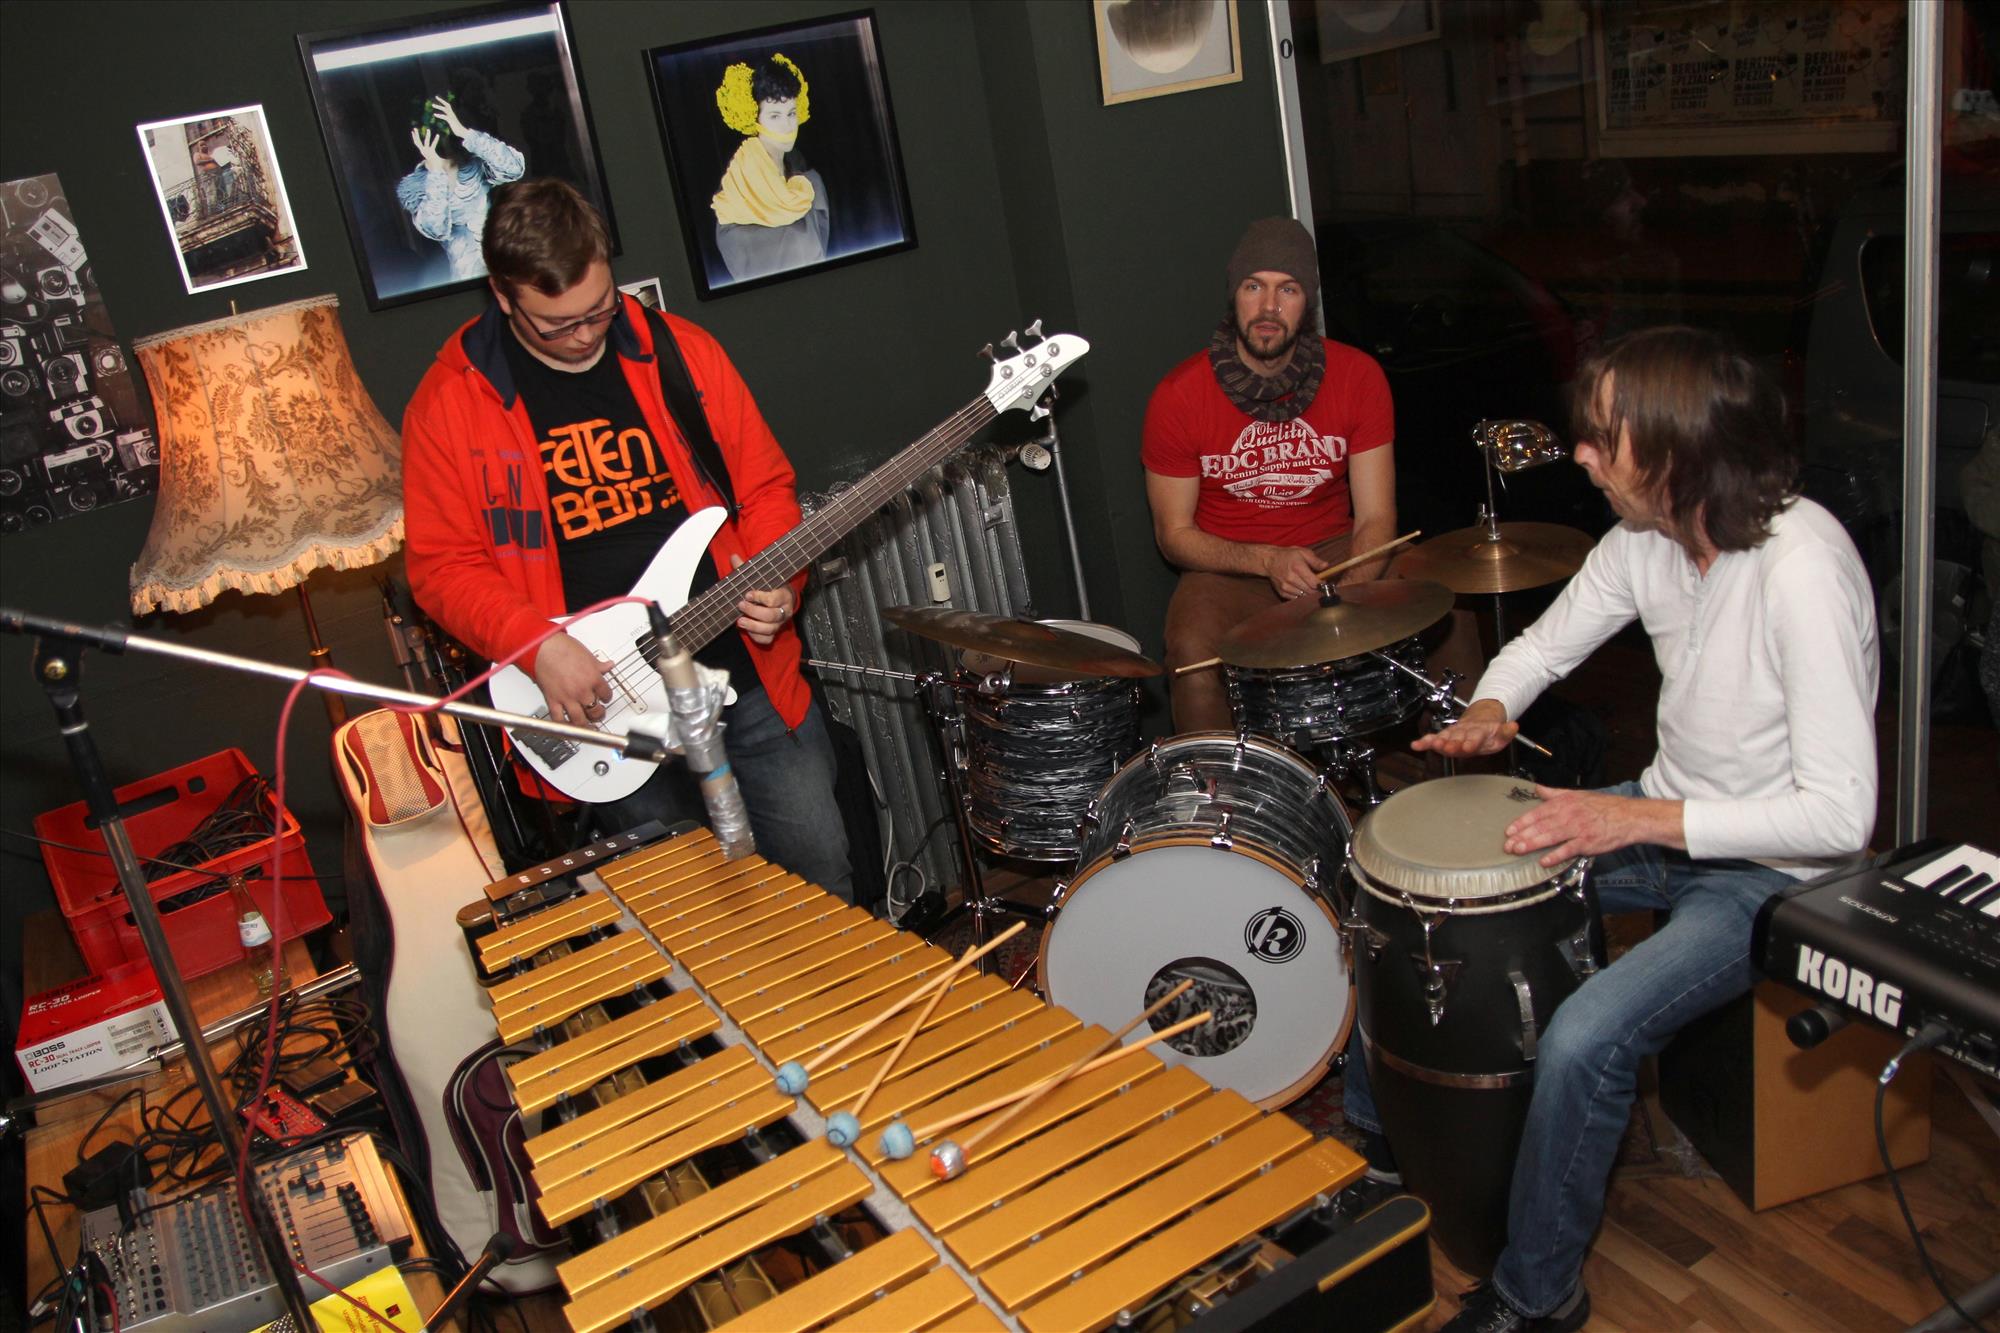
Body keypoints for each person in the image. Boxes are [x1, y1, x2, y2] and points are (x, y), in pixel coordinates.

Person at [1368, 326, 1879, 1332]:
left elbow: (1838, 815)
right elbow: (1542, 648)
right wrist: (1490, 708)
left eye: (1604, 437)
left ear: (1677, 444)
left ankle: (1536, 1296)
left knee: (1585, 1037)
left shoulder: (1800, 568)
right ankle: (1381, 1143)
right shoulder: (1647, 542)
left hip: (1774, 873)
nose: (1583, 456)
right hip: (1667, 816)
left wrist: (1627, 815)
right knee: (1425, 892)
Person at [401, 178, 853, 901]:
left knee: (822, 879)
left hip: (743, 673)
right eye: (557, 324)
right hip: (607, 711)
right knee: (694, 919)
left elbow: (766, 488)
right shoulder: (451, 403)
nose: (585, 335)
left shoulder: (681, 352)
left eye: (600, 310)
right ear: (503, 295)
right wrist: (537, 647)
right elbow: (441, 566)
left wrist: (780, 581)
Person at [1143, 216, 1404, 733]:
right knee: (1193, 654)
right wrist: (1265, 560)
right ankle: (1218, 782)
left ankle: (1462, 766)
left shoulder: (1358, 376)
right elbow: (1173, 536)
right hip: (1228, 565)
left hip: (1336, 550)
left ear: (1308, 302)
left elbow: (1377, 517)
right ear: (1234, 296)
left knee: (1447, 607)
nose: (1268, 307)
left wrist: (1344, 596)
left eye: (1287, 289)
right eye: (1253, 286)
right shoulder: (1178, 396)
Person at [711, 54, 829, 284]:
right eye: (774, 116)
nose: (787, 125)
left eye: (791, 113)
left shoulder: (809, 182)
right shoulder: (738, 192)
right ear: (754, 119)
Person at [396, 92, 525, 281]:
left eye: (443, 123)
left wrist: (465, 133)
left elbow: (514, 168)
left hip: (505, 268)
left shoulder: (473, 165)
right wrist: (436, 172)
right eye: (431, 125)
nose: (439, 132)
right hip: (467, 277)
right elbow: (436, 229)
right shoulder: (417, 187)